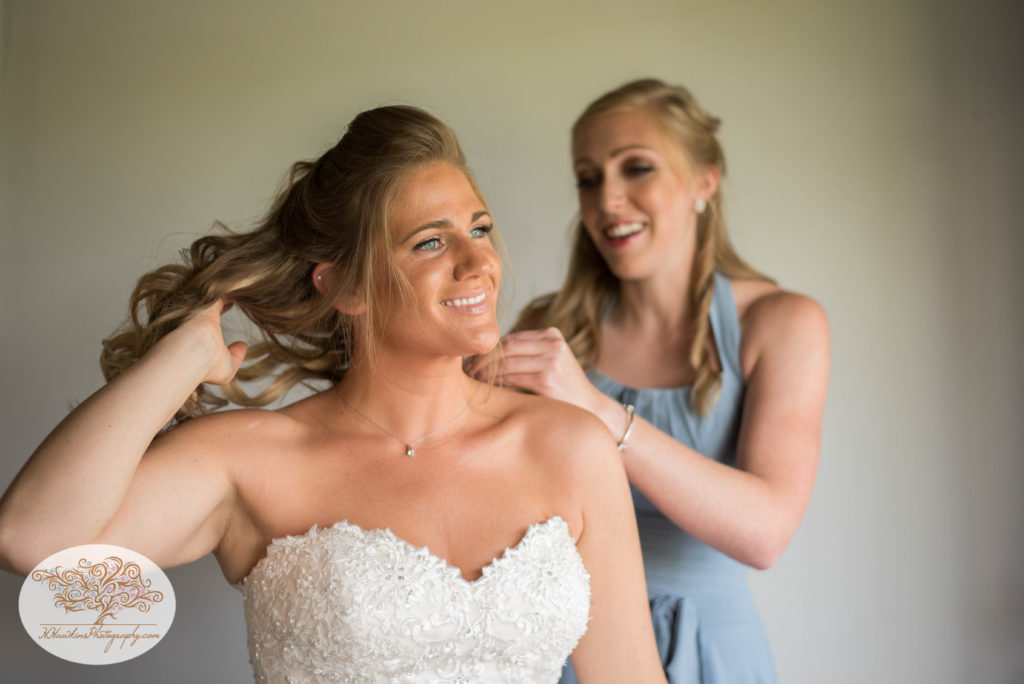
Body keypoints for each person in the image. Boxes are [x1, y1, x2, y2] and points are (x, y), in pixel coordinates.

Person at [0, 105, 668, 683]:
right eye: (430, 242)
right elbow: (32, 542)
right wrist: (181, 358)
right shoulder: (249, 461)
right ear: (345, 287)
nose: (478, 263)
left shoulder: (571, 447)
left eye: (479, 229)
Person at [470, 79, 830, 682]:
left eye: (636, 168)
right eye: (588, 178)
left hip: (711, 653)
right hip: (568, 650)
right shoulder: (550, 329)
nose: (607, 200)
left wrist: (599, 410)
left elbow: (766, 533)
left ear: (704, 181)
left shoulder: (782, 323)